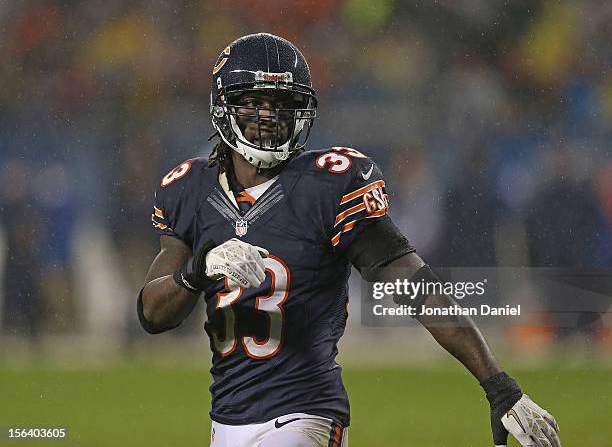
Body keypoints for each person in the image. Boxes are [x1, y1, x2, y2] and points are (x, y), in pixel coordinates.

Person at [138, 33, 561, 447]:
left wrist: (498, 384)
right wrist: (198, 270)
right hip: (225, 422)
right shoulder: (188, 189)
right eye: (254, 102)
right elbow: (153, 314)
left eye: (282, 104)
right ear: (223, 107)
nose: (268, 116)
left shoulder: (328, 184)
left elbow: (416, 287)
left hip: (304, 414)